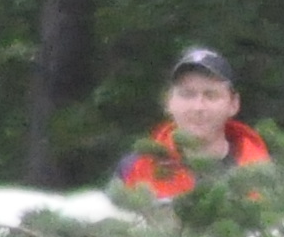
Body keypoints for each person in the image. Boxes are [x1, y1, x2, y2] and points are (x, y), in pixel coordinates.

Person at [116, 47, 273, 199]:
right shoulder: (135, 169)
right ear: (168, 102)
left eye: (211, 95)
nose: (198, 107)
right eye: (187, 94)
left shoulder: (266, 174)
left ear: (233, 104)